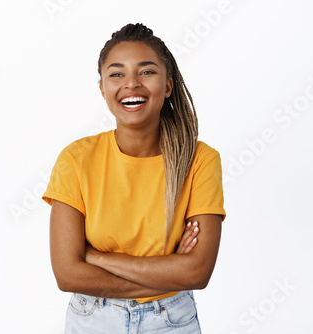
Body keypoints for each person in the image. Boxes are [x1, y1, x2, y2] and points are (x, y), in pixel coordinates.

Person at [42, 23, 226, 333]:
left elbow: (197, 271)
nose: (131, 84)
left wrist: (96, 257)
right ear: (102, 88)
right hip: (93, 319)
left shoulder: (200, 160)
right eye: (117, 74)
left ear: (167, 86)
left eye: (146, 72)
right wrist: (167, 272)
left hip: (171, 321)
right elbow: (68, 275)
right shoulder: (76, 159)